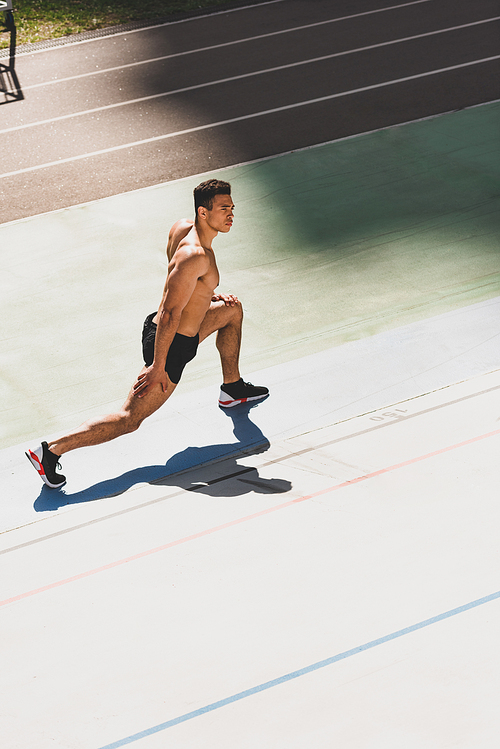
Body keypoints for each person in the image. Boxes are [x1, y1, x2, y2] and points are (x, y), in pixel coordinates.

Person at [26, 179, 268, 489]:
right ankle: (50, 450)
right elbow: (170, 311)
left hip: (173, 331)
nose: (231, 214)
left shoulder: (183, 228)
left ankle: (233, 389)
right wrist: (157, 366)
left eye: (232, 208)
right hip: (171, 346)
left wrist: (210, 297)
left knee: (232, 312)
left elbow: (180, 285)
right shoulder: (196, 255)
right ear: (203, 212)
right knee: (130, 418)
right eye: (223, 209)